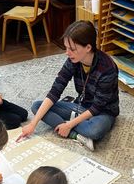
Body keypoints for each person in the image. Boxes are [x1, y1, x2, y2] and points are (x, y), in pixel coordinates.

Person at [17, 20, 119, 151]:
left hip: (103, 112)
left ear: (88, 48)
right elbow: (55, 90)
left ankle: (69, 127)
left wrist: (69, 124)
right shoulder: (73, 60)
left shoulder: (107, 68)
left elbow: (97, 107)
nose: (67, 52)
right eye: (66, 47)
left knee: (95, 131)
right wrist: (33, 124)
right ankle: (77, 135)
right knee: (37, 107)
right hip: (81, 105)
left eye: (72, 49)